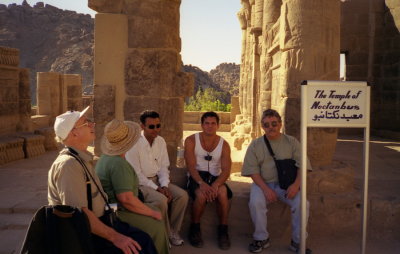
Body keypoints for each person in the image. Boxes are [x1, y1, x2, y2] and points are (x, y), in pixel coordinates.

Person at [48, 106, 156, 254]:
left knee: (143, 240)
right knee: (140, 246)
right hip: (88, 236)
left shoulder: (81, 159)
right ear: (74, 132)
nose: (93, 124)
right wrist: (116, 237)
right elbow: (80, 215)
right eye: (86, 123)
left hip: (102, 222)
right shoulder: (69, 165)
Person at [241, 109, 312, 253]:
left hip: (287, 185)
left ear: (280, 124)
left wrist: (296, 185)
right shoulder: (255, 145)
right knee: (256, 202)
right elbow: (253, 171)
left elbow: (303, 165)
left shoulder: (291, 142)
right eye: (266, 125)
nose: (270, 127)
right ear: (262, 127)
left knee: (303, 204)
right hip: (263, 184)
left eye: (274, 123)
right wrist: (266, 190)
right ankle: (261, 238)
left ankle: (298, 241)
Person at [96, 119, 170, 254]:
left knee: (155, 207)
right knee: (156, 225)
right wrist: (152, 214)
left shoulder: (107, 157)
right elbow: (126, 199)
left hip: (112, 207)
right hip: (118, 212)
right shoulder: (118, 163)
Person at [125, 110, 189, 246]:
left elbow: (163, 167)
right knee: (161, 200)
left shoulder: (160, 141)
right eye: (151, 126)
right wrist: (158, 189)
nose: (156, 130)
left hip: (158, 181)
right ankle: (163, 236)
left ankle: (173, 231)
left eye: (158, 126)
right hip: (141, 184)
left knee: (182, 196)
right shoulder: (134, 144)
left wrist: (164, 185)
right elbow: (137, 174)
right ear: (142, 126)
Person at [184, 111, 232, 250]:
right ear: (202, 125)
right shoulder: (191, 140)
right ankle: (195, 228)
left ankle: (223, 230)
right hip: (197, 176)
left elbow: (226, 170)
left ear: (218, 125)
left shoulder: (224, 144)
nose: (210, 126)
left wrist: (216, 185)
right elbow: (191, 167)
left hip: (216, 177)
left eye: (213, 123)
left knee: (222, 193)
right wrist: (202, 184)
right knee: (200, 195)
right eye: (207, 123)